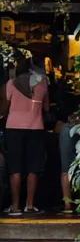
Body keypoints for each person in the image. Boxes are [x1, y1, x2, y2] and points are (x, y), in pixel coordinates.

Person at [2, 58, 49, 216]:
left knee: (15, 167)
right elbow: (46, 107)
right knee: (33, 167)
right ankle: (29, 205)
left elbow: (6, 107)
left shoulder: (11, 83)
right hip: (35, 127)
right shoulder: (42, 83)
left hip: (13, 128)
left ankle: (15, 207)